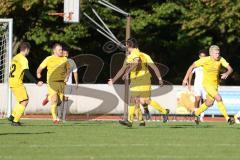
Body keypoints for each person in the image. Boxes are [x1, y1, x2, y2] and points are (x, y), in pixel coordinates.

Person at [108, 38, 169, 127]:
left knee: (144, 101)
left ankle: (163, 112)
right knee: (135, 100)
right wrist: (113, 80)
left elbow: (136, 63)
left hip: (144, 80)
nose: (125, 47)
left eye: (126, 45)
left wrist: (160, 79)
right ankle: (134, 120)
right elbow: (122, 69)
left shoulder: (138, 54)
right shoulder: (130, 56)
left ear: (129, 46)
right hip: (135, 81)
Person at [182, 45, 234, 125]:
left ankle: (196, 113)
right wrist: (185, 79)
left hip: (215, 85)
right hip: (207, 84)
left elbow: (230, 69)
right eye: (216, 53)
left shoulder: (221, 59)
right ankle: (228, 118)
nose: (218, 55)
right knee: (218, 98)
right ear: (211, 54)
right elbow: (191, 67)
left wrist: (227, 73)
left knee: (209, 103)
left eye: (218, 53)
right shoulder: (205, 60)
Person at [8, 42, 43, 126]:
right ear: (27, 49)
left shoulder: (15, 57)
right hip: (17, 83)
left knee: (22, 100)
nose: (29, 52)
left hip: (12, 81)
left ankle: (12, 116)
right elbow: (26, 72)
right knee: (25, 101)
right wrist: (36, 82)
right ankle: (15, 121)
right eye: (29, 50)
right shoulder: (23, 59)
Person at [37, 43, 70, 124]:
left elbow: (68, 70)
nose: (61, 51)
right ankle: (55, 119)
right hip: (51, 82)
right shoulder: (49, 58)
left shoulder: (65, 59)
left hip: (61, 84)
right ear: (54, 51)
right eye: (59, 50)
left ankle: (48, 98)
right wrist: (38, 73)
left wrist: (67, 77)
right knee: (54, 99)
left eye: (61, 49)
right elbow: (40, 68)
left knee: (59, 101)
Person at [58, 48, 78, 122]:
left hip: (68, 84)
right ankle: (59, 116)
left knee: (65, 99)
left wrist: (76, 82)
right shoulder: (58, 61)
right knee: (60, 98)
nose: (65, 54)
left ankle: (63, 118)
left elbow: (75, 72)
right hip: (59, 83)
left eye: (66, 53)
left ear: (68, 54)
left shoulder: (72, 62)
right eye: (63, 53)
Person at [188, 50, 208, 122]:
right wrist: (189, 83)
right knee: (197, 99)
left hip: (206, 85)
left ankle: (201, 116)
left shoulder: (208, 64)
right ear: (199, 56)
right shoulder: (196, 64)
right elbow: (191, 73)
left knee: (205, 101)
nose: (202, 58)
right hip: (197, 85)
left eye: (204, 56)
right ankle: (196, 116)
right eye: (201, 56)